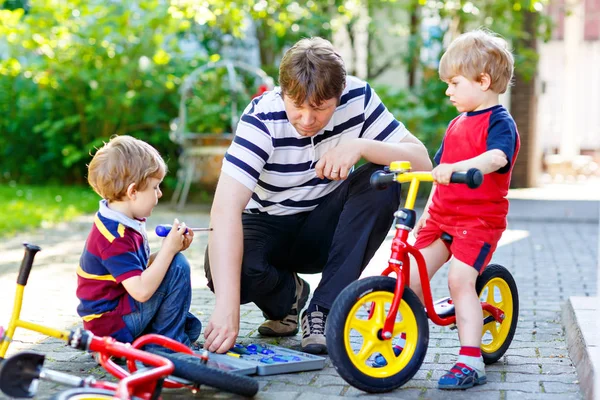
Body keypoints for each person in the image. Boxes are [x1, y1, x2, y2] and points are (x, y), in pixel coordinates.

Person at [202, 37, 432, 355]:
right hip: (267, 224)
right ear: (282, 92)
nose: (307, 120)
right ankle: (289, 297)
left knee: (385, 180)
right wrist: (228, 310)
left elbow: (421, 161)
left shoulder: (359, 97)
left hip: (326, 227)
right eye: (297, 106)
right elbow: (225, 209)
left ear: (339, 95)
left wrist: (360, 146)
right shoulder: (261, 118)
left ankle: (322, 310)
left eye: (320, 108)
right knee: (225, 271)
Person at [410, 29, 520, 389]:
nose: (448, 91)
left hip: (477, 221)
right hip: (442, 217)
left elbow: (496, 157)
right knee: (409, 275)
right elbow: (439, 176)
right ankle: (399, 343)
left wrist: (462, 168)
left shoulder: (499, 124)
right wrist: (426, 215)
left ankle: (471, 360)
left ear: (483, 80)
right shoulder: (456, 124)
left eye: (454, 83)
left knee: (460, 280)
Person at [76, 135, 202, 348]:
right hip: (111, 326)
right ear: (132, 191)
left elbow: (137, 269)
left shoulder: (123, 220)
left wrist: (169, 249)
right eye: (155, 187)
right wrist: (168, 252)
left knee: (188, 319)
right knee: (178, 266)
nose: (160, 194)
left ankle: (154, 340)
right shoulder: (114, 236)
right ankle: (164, 347)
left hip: (119, 315)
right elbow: (141, 291)